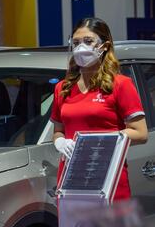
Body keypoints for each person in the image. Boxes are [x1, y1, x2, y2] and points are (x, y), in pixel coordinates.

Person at [50, 17, 148, 202]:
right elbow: (58, 131)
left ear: (104, 46)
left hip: (108, 176)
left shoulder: (120, 85)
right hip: (71, 177)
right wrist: (60, 142)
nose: (81, 48)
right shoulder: (62, 88)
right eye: (76, 42)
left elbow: (140, 133)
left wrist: (95, 143)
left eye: (88, 42)